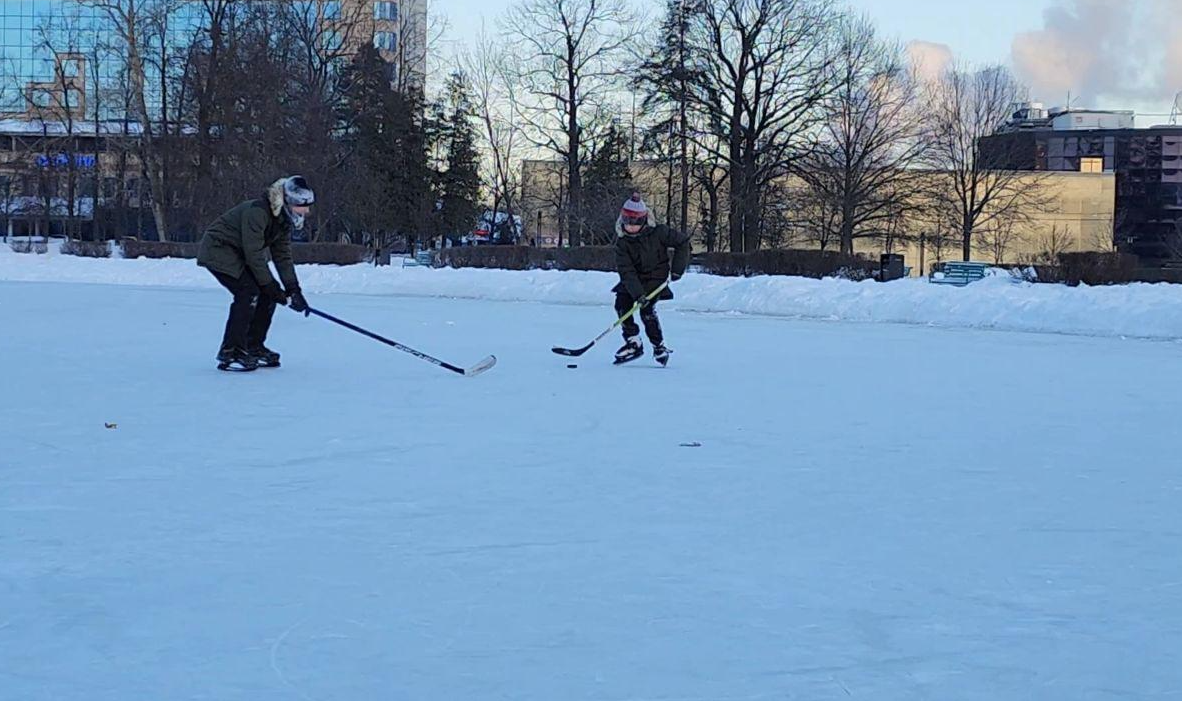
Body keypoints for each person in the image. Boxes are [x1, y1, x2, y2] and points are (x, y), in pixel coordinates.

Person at [196, 176, 313, 371]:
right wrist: (271, 286)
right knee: (248, 292)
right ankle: (231, 351)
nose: (306, 211)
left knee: (267, 295)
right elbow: (254, 254)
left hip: (239, 254)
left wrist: (293, 290)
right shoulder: (258, 212)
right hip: (219, 250)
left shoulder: (282, 221)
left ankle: (253, 346)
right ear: (288, 201)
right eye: (302, 205)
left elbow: (282, 257)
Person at [612, 192, 691, 366]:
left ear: (644, 220)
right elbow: (626, 271)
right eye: (628, 222)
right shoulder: (622, 243)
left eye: (636, 223)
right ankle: (633, 341)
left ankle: (659, 346)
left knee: (646, 311)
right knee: (621, 304)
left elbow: (683, 242)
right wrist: (637, 293)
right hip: (634, 279)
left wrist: (677, 269)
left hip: (656, 278)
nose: (631, 227)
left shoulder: (659, 232)